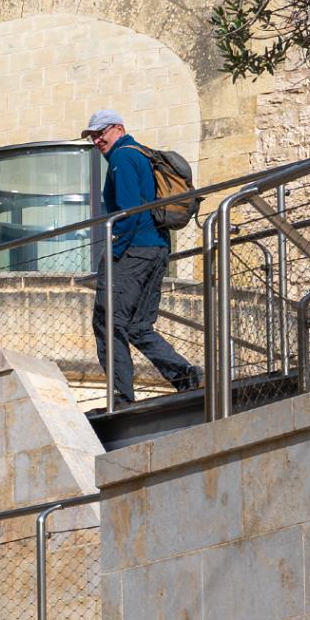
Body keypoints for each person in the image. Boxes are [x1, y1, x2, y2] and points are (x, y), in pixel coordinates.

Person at [85, 108, 199, 406]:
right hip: (158, 249)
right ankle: (185, 376)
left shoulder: (123, 157)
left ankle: (121, 395)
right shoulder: (143, 155)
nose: (97, 140)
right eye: (93, 136)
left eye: (102, 133)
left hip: (133, 251)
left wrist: (115, 251)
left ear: (119, 129)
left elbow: (128, 210)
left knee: (108, 320)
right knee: (138, 326)